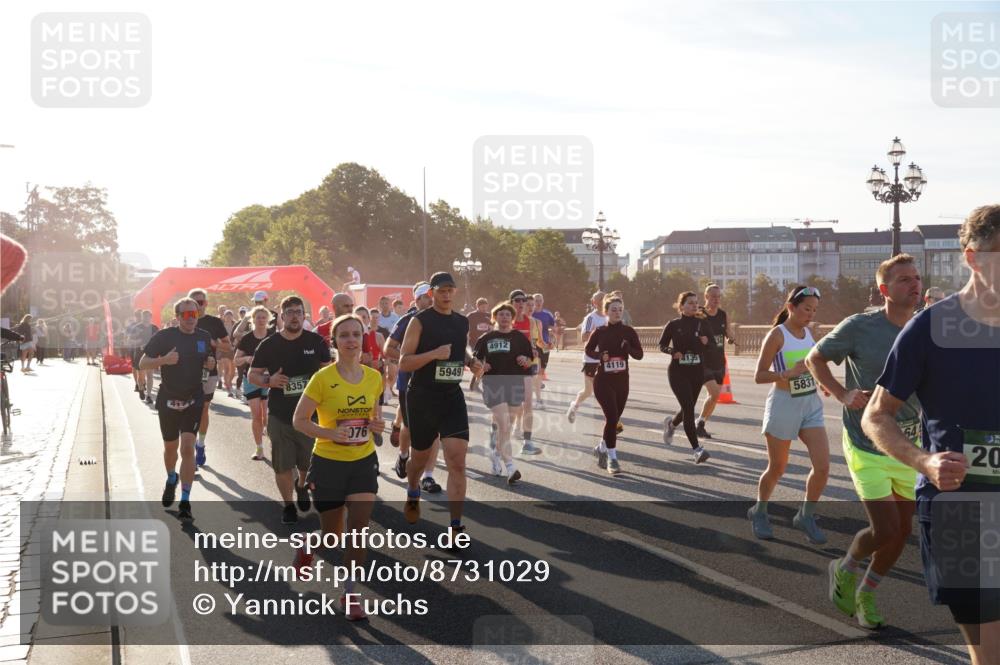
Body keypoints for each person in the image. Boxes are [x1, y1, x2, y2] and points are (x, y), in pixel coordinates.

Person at [862, 205, 1000, 662]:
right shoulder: (930, 328)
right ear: (973, 258)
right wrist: (925, 461)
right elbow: (877, 416)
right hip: (962, 512)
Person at [806, 254, 923, 630]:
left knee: (903, 531)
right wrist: (841, 393)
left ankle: (867, 591)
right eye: (904, 279)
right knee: (886, 528)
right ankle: (845, 566)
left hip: (908, 446)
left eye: (917, 278)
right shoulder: (859, 326)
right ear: (885, 290)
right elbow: (815, 357)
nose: (914, 284)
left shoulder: (928, 327)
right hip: (866, 442)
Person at [292, 313, 384, 621]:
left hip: (363, 461)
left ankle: (350, 594)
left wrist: (377, 425)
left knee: (358, 531)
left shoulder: (374, 377)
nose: (350, 340)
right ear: (334, 342)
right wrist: (330, 432)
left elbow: (373, 416)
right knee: (332, 534)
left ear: (362, 338)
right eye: (343, 335)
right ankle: (309, 544)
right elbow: (299, 420)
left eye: (356, 334)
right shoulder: (322, 379)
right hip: (329, 463)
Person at [398, 272, 482, 530]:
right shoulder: (419, 321)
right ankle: (413, 489)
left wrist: (470, 361)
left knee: (457, 461)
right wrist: (434, 354)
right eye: (441, 291)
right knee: (420, 459)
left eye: (450, 290)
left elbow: (461, 346)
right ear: (431, 293)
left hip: (451, 397)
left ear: (455, 292)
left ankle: (456, 526)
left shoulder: (461, 322)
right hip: (422, 396)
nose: (446, 295)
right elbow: (404, 362)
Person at [747, 285, 829, 544]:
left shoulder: (809, 334)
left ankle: (805, 515)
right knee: (778, 468)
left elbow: (812, 366)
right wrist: (785, 374)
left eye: (814, 310)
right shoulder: (776, 335)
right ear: (791, 307)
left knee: (823, 467)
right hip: (784, 404)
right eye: (806, 309)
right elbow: (759, 375)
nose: (810, 314)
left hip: (810, 406)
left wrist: (823, 382)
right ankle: (759, 510)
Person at [249, 296, 332, 524]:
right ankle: (288, 506)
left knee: (307, 463)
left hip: (311, 417)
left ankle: (302, 484)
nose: (295, 316)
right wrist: (269, 380)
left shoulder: (316, 342)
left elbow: (329, 372)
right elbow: (252, 375)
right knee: (283, 464)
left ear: (304, 316)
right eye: (290, 312)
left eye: (299, 311)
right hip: (280, 415)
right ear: (282, 316)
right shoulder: (269, 344)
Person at [138, 297, 215, 520]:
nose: (192, 318)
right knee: (171, 448)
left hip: (193, 398)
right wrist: (163, 361)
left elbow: (207, 361)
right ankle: (172, 477)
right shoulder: (165, 336)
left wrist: (210, 364)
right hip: (169, 399)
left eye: (195, 314)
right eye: (187, 315)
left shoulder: (204, 336)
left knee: (188, 448)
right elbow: (142, 363)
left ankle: (185, 501)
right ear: (178, 317)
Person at [383, 283, 442, 492]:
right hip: (410, 384)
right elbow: (387, 348)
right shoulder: (406, 320)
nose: (432, 299)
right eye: (427, 296)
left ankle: (428, 476)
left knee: (434, 432)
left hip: (437, 385)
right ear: (417, 301)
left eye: (433, 295)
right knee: (410, 427)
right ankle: (403, 455)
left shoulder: (445, 320)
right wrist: (411, 359)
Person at [473, 302, 533, 484]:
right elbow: (475, 363)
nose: (505, 317)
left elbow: (530, 360)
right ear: (495, 317)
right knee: (505, 425)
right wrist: (481, 366)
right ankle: (511, 467)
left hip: (514, 383)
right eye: (501, 314)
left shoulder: (520, 338)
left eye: (508, 315)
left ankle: (495, 454)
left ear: (512, 318)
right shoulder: (486, 338)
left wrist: (526, 360)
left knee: (507, 425)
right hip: (493, 383)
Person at [584, 295, 643, 474]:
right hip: (603, 381)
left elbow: (639, 355)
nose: (617, 312)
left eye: (620, 309)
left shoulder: (629, 331)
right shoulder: (600, 331)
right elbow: (588, 350)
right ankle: (612, 458)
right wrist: (600, 356)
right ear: (606, 312)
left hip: (622, 381)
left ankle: (601, 447)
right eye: (613, 310)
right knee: (611, 418)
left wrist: (628, 350)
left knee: (614, 420)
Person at [659, 292, 714, 464]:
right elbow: (661, 345)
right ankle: (697, 450)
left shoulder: (702, 323)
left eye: (696, 303)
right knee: (689, 409)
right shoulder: (674, 325)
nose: (694, 305)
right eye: (690, 303)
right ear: (681, 306)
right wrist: (672, 352)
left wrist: (707, 342)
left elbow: (713, 345)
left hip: (696, 373)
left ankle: (671, 425)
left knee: (686, 408)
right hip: (678, 372)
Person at [189, 289, 231, 468]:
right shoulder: (185, 321)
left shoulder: (214, 322)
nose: (198, 305)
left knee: (204, 408)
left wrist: (214, 344)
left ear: (206, 303)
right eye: (194, 301)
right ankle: (188, 450)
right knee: (189, 410)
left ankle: (200, 444)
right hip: (187, 372)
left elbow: (228, 347)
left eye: (201, 301)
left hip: (209, 372)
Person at [695, 284, 736, 439]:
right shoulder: (699, 313)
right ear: (706, 297)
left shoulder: (723, 315)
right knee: (715, 392)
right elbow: (690, 333)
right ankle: (693, 422)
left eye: (718, 297)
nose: (716, 300)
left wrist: (731, 337)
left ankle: (700, 423)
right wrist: (699, 339)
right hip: (702, 361)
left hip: (719, 361)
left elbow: (728, 332)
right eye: (713, 297)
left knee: (714, 396)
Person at [235, 306, 273, 460]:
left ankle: (273, 446)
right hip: (251, 379)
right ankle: (259, 449)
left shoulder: (273, 336)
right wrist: (246, 359)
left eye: (264, 317)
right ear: (253, 320)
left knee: (268, 416)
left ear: (268, 319)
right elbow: (236, 360)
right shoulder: (247, 338)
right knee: (257, 416)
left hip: (270, 379)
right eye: (258, 317)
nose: (261, 320)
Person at [566, 291, 607, 423]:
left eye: (604, 298)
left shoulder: (609, 317)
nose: (602, 300)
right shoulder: (591, 318)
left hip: (606, 359)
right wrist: (600, 336)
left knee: (606, 390)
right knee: (589, 391)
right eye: (599, 299)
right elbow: (585, 337)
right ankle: (574, 405)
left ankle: (612, 421)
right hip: (592, 359)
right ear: (594, 302)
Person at [130, 311, 159, 404]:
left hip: (151, 354)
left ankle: (149, 395)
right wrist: (139, 343)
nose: (146, 317)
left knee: (150, 375)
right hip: (139, 353)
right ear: (142, 317)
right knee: (141, 376)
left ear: (151, 317)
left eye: (148, 316)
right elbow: (130, 340)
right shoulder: (137, 327)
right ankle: (141, 389)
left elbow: (159, 340)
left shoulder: (154, 328)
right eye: (144, 316)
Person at [532, 293, 555, 378]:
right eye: (536, 300)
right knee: (536, 360)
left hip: (545, 341)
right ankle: (535, 380)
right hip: (533, 342)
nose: (538, 302)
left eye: (540, 300)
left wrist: (552, 341)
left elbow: (553, 329)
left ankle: (539, 379)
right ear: (533, 302)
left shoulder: (547, 314)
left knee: (544, 363)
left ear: (543, 301)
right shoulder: (530, 313)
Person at [219, 310, 237, 396]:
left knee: (233, 370)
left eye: (230, 315)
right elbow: (217, 337)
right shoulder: (221, 326)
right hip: (224, 349)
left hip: (233, 349)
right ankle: (228, 388)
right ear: (224, 317)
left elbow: (237, 336)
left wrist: (235, 343)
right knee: (226, 369)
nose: (228, 317)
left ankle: (228, 382)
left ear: (232, 316)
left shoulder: (235, 325)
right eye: (227, 315)